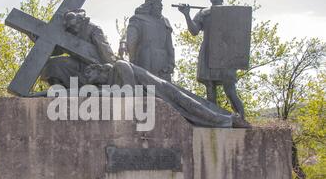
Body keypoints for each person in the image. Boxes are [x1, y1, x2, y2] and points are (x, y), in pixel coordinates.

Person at [83, 61, 251, 129]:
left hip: (162, 89)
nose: (96, 82)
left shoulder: (119, 66)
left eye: (93, 77)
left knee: (192, 106)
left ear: (99, 70)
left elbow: (131, 91)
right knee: (190, 114)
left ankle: (229, 120)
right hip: (156, 95)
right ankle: (226, 119)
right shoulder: (112, 82)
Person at [178, 0, 246, 119]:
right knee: (209, 85)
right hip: (208, 53)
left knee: (230, 89)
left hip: (226, 55)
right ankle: (212, 117)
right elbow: (194, 31)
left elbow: (239, 33)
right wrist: (187, 15)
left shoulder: (230, 13)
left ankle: (241, 117)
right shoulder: (204, 13)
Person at [40, 9, 116, 88]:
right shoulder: (70, 32)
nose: (74, 29)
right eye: (71, 27)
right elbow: (57, 49)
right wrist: (39, 39)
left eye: (75, 25)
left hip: (94, 66)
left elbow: (104, 48)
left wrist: (114, 67)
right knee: (53, 64)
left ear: (80, 21)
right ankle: (59, 89)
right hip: (77, 65)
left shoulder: (93, 29)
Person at [126, 0, 175, 82]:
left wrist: (132, 61)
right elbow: (131, 42)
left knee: (144, 91)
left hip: (155, 65)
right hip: (149, 63)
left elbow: (170, 46)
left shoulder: (164, 22)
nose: (161, 7)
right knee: (162, 91)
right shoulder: (138, 20)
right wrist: (171, 64)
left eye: (161, 5)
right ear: (150, 6)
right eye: (158, 5)